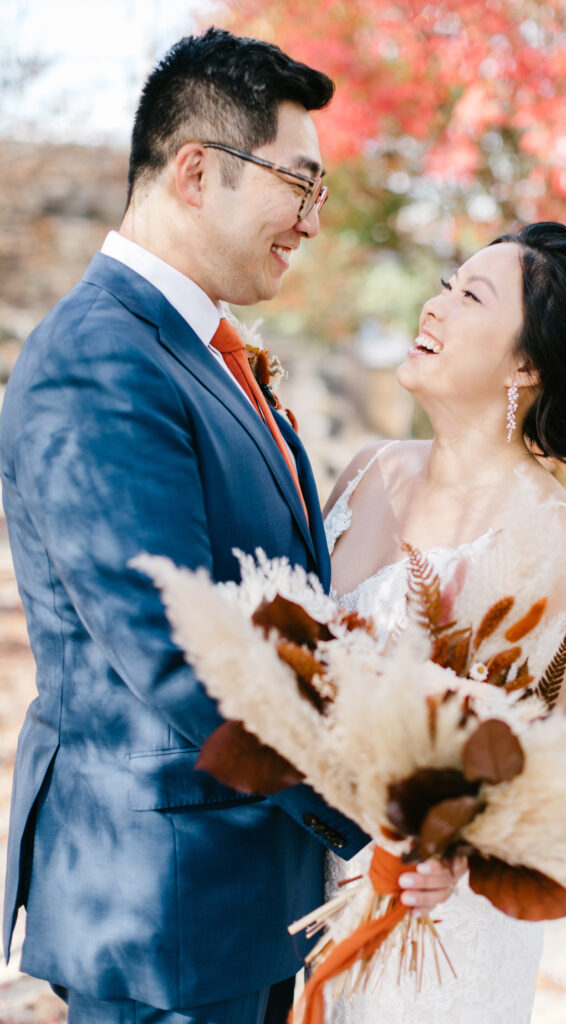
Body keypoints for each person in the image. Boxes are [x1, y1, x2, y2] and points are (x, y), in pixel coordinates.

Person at [0, 28, 454, 1024]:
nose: (310, 221)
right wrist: (373, 818)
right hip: (160, 905)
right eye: (300, 183)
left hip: (237, 893)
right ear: (197, 170)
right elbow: (178, 651)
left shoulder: (200, 349)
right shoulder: (101, 359)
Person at [323, 221, 566, 1024]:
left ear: (525, 364)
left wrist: (460, 853)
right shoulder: (368, 472)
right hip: (306, 893)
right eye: (444, 285)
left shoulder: (562, 554)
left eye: (470, 296)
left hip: (442, 948)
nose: (435, 308)